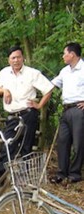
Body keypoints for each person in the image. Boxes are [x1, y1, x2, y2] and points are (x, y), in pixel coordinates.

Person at [0, 46, 54, 177]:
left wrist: (39, 105)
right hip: (12, 116)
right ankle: (2, 176)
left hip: (28, 113)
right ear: (8, 60)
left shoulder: (32, 73)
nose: (16, 60)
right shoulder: (4, 73)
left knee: (27, 145)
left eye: (18, 57)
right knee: (8, 144)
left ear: (23, 58)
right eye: (13, 58)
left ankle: (26, 177)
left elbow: (48, 89)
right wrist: (4, 91)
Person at [51, 42, 84, 184]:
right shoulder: (65, 71)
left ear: (72, 54)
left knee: (78, 143)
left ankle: (75, 174)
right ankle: (61, 173)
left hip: (79, 109)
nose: (63, 56)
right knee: (62, 142)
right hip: (66, 109)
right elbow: (51, 84)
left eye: (65, 53)